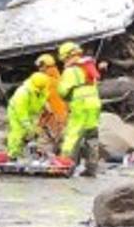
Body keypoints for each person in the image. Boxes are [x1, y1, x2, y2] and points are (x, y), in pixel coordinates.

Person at [56, 41, 102, 176]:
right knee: (91, 135)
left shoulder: (70, 70)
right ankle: (91, 167)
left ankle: (65, 166)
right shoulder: (89, 66)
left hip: (80, 104)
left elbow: (62, 91)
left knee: (73, 134)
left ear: (66, 56)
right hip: (94, 104)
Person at [6, 72, 52, 159]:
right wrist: (29, 127)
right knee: (18, 132)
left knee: (33, 132)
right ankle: (13, 154)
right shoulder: (22, 93)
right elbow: (21, 114)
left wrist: (46, 105)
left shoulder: (42, 89)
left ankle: (28, 151)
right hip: (16, 112)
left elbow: (42, 98)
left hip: (32, 112)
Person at [34, 52, 68, 147]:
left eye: (41, 66)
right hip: (62, 117)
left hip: (51, 118)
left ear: (45, 66)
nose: (39, 69)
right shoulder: (60, 79)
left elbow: (44, 102)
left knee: (44, 145)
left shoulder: (45, 81)